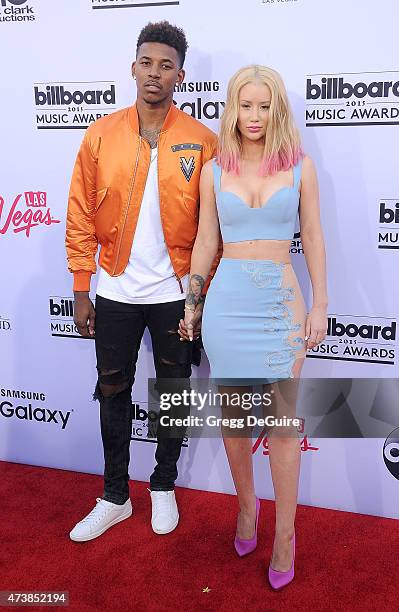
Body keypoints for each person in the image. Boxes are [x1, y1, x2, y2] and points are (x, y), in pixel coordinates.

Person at [65, 21, 217, 542]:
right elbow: (80, 213)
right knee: (113, 390)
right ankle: (113, 496)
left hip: (175, 293)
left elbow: (211, 229)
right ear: (133, 67)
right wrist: (82, 288)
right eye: (147, 62)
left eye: (166, 65)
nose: (155, 73)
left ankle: (164, 485)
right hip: (113, 290)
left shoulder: (202, 141)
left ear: (180, 74)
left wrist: (200, 294)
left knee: (173, 393)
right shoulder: (101, 134)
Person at [181, 65, 327, 589]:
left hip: (280, 303)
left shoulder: (300, 167)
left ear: (277, 109)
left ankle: (285, 534)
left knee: (283, 429)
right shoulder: (215, 170)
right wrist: (193, 305)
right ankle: (248, 509)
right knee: (237, 424)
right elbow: (204, 244)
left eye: (265, 106)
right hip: (227, 305)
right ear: (233, 108)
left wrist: (320, 305)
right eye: (247, 105)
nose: (256, 116)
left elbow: (312, 238)